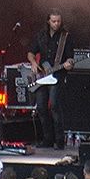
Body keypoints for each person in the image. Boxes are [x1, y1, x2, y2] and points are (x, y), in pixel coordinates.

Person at [29, 15, 72, 149]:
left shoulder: (66, 37)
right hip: (42, 75)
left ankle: (59, 141)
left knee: (54, 106)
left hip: (57, 75)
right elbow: (30, 52)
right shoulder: (41, 35)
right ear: (48, 21)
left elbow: (70, 58)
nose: (56, 24)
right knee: (41, 107)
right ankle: (47, 139)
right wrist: (33, 63)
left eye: (59, 21)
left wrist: (69, 63)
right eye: (54, 21)